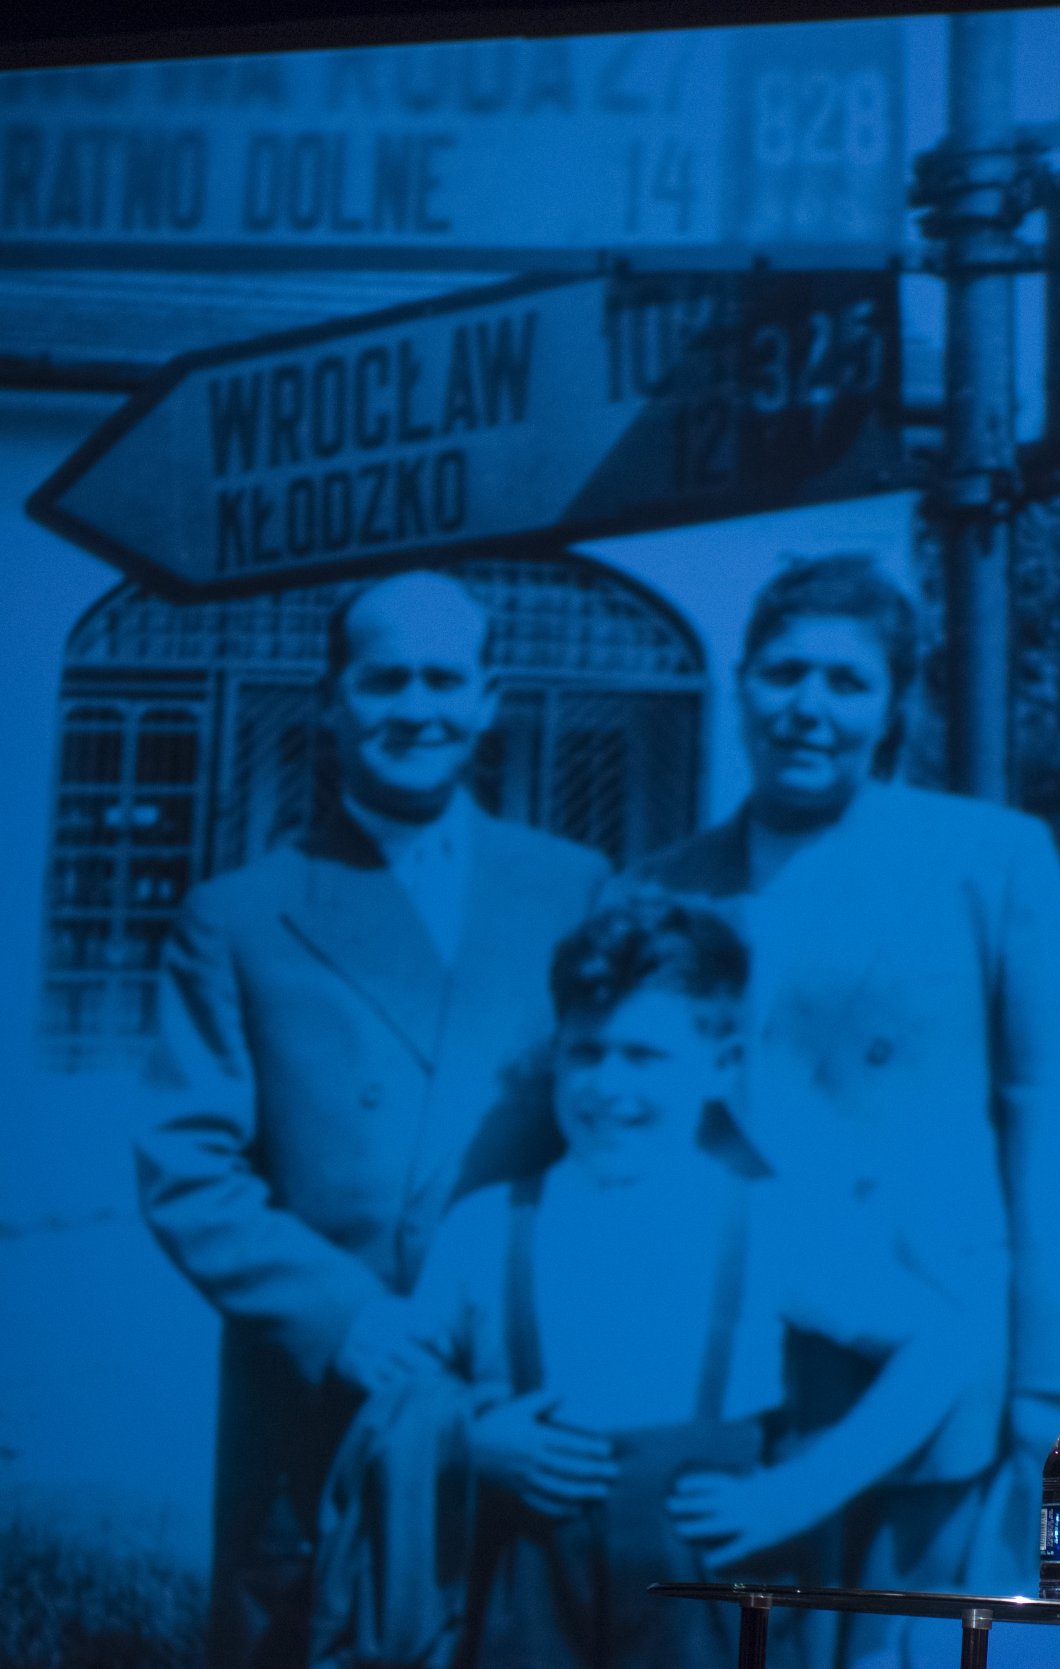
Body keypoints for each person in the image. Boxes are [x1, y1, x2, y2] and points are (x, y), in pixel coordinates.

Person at [627, 555, 1060, 1662]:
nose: (810, 707)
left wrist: (1054, 1386)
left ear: (893, 707)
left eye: (847, 682)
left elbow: (1058, 1121)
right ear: (740, 684)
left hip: (932, 1350)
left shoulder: (988, 860)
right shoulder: (658, 885)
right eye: (785, 672)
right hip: (731, 1357)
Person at [138, 571, 612, 1669]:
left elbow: (627, 1121)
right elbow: (185, 1164)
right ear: (330, 699)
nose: (417, 705)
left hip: (528, 1384)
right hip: (319, 1392)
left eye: (445, 677)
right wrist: (344, 1316)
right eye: (383, 677)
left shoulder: (573, 885)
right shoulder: (241, 913)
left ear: (490, 697)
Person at [393, 897, 976, 1669]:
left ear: (721, 1064)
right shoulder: (486, 1225)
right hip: (525, 1598)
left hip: (705, 1597)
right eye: (586, 1052)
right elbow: (397, 1397)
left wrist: (796, 1491)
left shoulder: (767, 1220)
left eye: (644, 1056)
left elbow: (940, 1345)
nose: (607, 1085)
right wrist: (469, 1439)